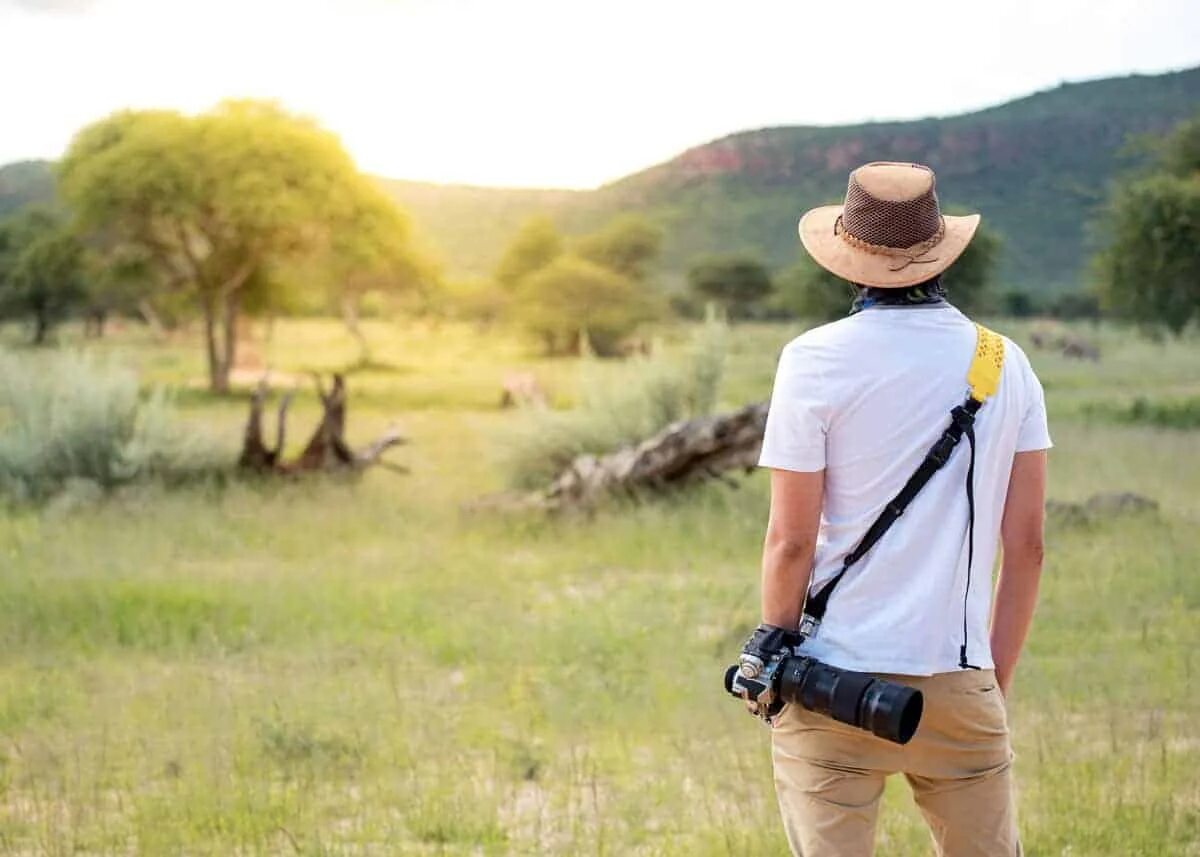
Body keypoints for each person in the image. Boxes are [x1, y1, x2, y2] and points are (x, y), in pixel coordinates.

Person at [746, 162, 1050, 856]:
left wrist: (770, 655)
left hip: (830, 681)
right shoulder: (1005, 362)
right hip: (959, 680)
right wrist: (990, 684)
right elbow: (1027, 546)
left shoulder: (812, 358)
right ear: (941, 253)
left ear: (847, 259)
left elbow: (790, 540)